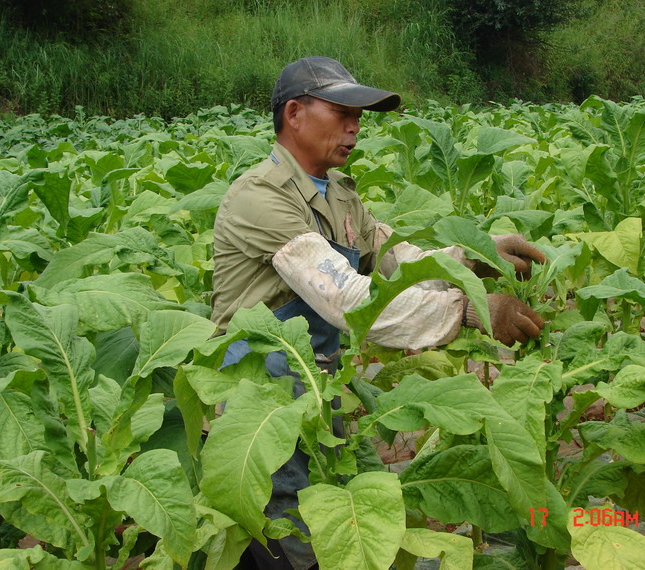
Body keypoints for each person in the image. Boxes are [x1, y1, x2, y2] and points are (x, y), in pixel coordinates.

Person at [211, 56, 545, 570]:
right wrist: (471, 311)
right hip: (261, 397)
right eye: (342, 111)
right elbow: (345, 295)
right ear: (295, 114)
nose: (355, 126)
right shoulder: (260, 196)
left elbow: (399, 259)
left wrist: (474, 255)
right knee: (289, 533)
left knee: (337, 521)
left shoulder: (339, 194)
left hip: (317, 384)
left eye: (360, 115)